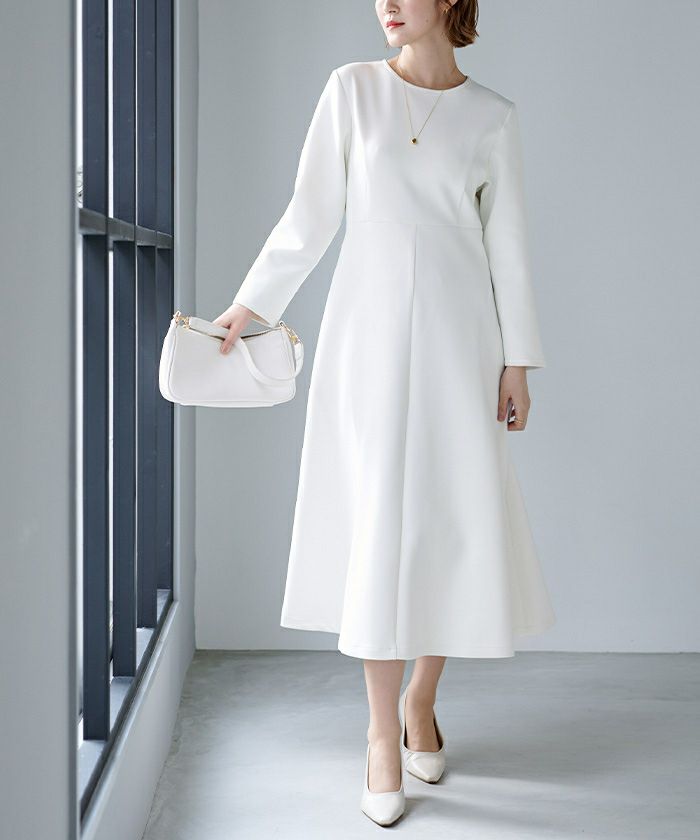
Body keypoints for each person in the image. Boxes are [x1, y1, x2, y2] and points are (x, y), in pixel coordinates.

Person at [213, 0, 556, 827]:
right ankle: (378, 735)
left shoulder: (492, 116)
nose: (388, 5)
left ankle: (420, 701)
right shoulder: (352, 89)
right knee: (379, 524)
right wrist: (250, 306)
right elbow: (310, 213)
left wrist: (517, 360)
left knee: (447, 520)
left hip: (460, 342)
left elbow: (507, 245)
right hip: (365, 340)